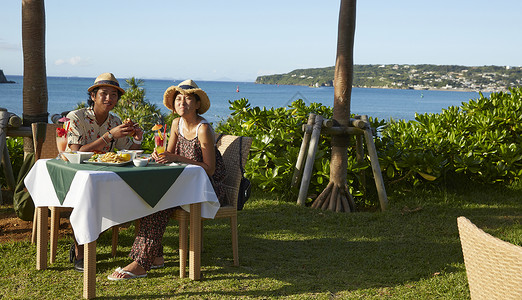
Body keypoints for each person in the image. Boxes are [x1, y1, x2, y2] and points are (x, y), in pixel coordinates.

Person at [108, 79, 226, 280]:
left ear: (197, 104)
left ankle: (141, 263)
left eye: (188, 99)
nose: (182, 103)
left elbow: (210, 169)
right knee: (148, 195)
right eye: (179, 99)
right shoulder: (176, 123)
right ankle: (155, 257)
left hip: (206, 188)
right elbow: (169, 153)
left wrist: (175, 158)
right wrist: (160, 156)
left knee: (158, 202)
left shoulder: (203, 129)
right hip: (182, 183)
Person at [65, 72, 144, 272]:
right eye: (104, 93)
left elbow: (127, 153)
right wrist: (109, 136)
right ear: (93, 96)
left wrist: (137, 139)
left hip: (104, 176)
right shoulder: (77, 117)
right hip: (76, 174)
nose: (109, 98)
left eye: (114, 95)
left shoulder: (115, 121)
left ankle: (147, 250)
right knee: (82, 198)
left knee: (138, 193)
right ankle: (80, 251)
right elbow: (76, 152)